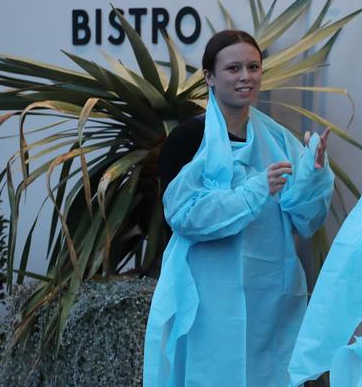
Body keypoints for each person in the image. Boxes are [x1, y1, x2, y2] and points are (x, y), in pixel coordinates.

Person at [143, 30, 335, 386]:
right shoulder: (188, 139)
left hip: (271, 303)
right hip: (207, 306)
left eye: (253, 67)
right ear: (210, 77)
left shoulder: (279, 139)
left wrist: (313, 176)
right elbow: (184, 217)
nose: (245, 76)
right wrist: (254, 190)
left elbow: (304, 220)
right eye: (233, 68)